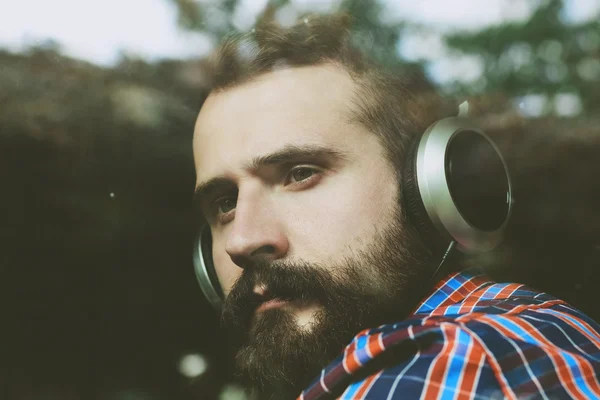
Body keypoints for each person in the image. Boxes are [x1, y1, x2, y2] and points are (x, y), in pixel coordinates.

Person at [191, 13, 600, 399]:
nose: (241, 240)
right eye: (226, 203)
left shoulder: (459, 362)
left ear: (432, 186)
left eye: (300, 174)